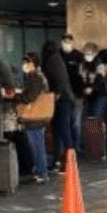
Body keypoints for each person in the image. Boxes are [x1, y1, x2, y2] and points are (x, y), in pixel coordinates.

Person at [42, 39, 77, 167]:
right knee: (60, 128)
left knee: (62, 129)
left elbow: (58, 81)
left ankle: (68, 159)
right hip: (66, 98)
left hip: (62, 99)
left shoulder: (52, 60)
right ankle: (62, 158)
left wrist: (55, 93)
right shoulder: (57, 58)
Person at [17, 53, 49, 184]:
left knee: (37, 146)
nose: (24, 65)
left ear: (32, 64)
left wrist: (19, 97)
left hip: (35, 118)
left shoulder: (35, 77)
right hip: (35, 118)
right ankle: (39, 171)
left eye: (27, 63)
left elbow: (31, 96)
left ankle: (42, 173)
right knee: (35, 145)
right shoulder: (34, 77)